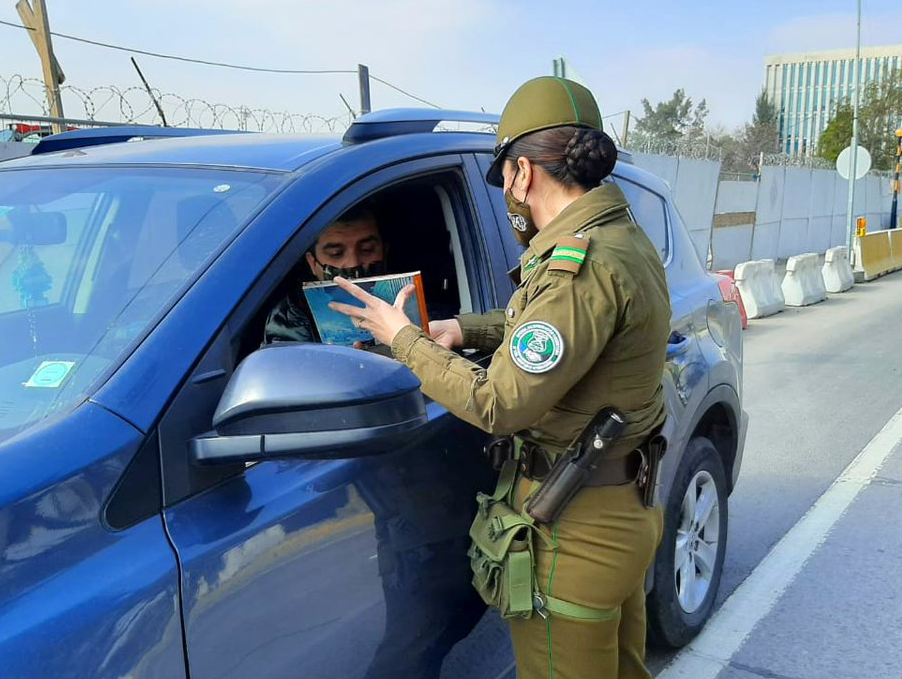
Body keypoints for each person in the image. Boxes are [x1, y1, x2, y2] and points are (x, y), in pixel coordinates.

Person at [329, 76, 671, 679]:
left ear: (521, 173)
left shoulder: (577, 264)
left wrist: (402, 339)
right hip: (618, 506)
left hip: (575, 529)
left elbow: (499, 404)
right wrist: (462, 330)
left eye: (505, 179)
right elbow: (545, 324)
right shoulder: (619, 238)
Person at [263, 206, 387, 344]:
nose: (353, 264)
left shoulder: (410, 294)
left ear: (384, 249)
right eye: (336, 254)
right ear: (312, 263)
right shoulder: (291, 318)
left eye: (367, 249)